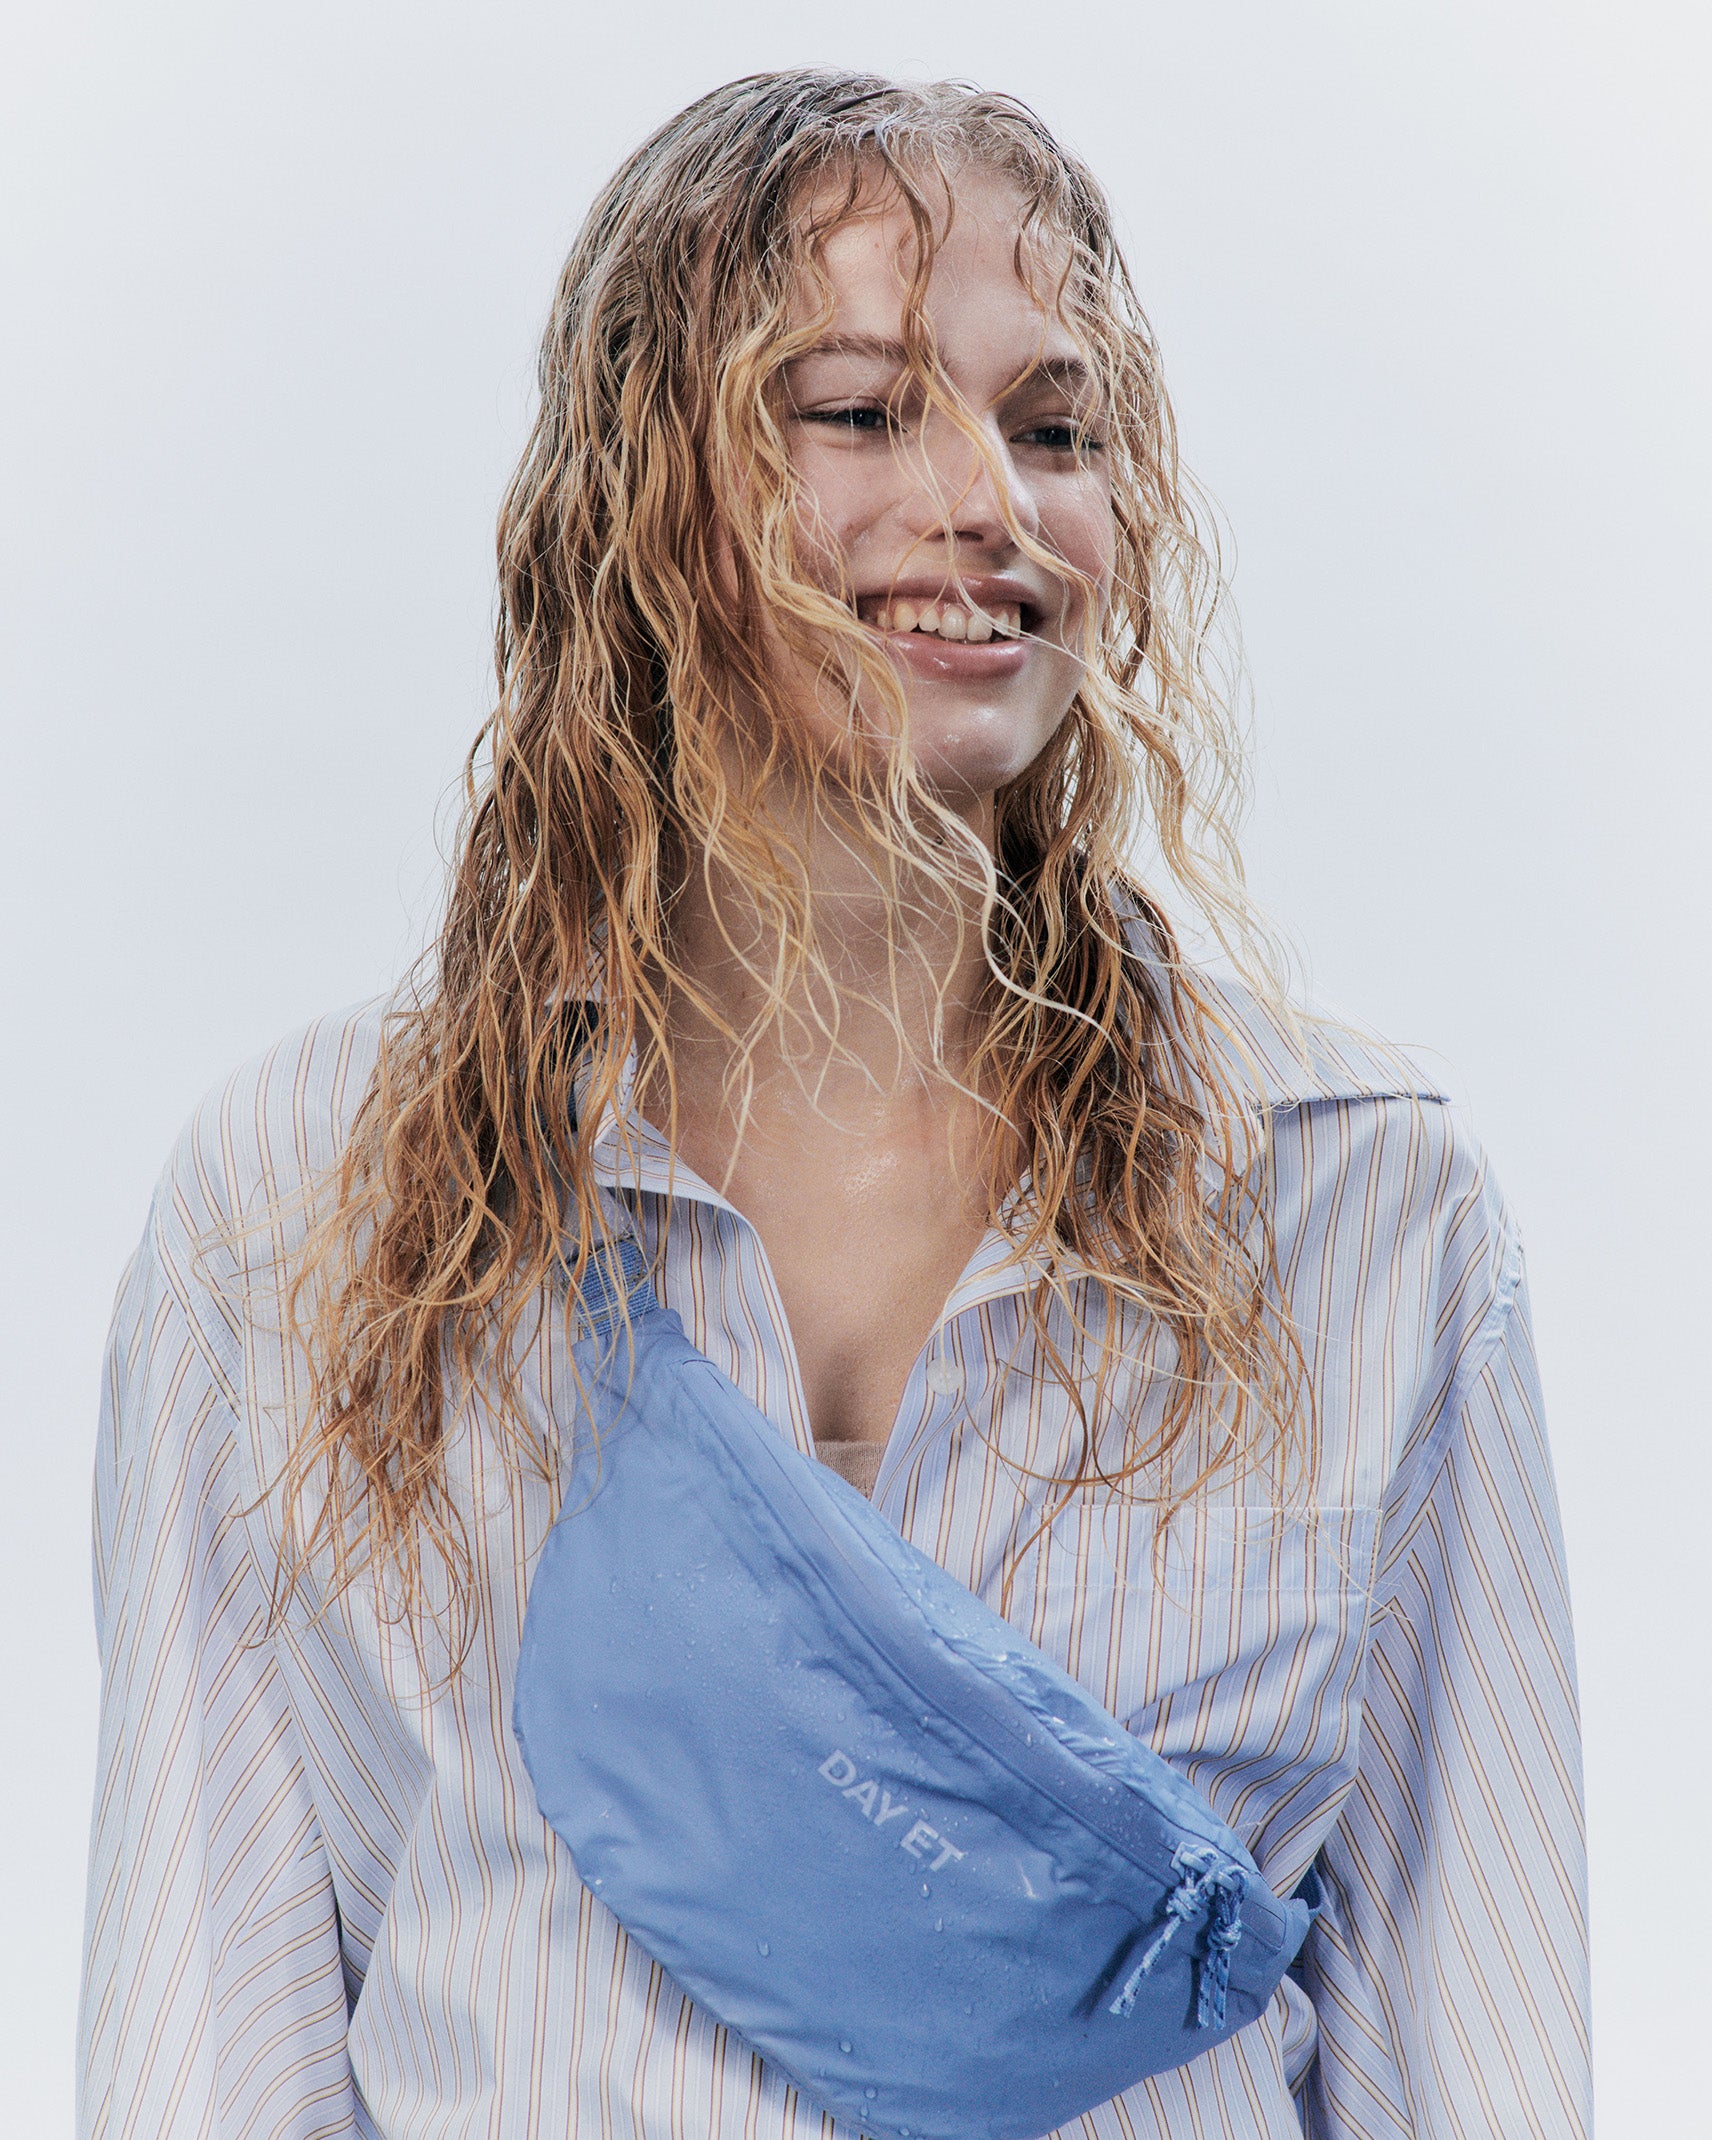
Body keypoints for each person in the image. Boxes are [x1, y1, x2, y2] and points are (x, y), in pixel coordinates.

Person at [77, 70, 1591, 2140]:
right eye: (862, 408)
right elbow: (209, 2045)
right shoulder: (308, 1202)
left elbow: (1476, 2059)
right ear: (644, 503)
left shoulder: (1359, 1205)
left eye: (1053, 427)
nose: (988, 501)